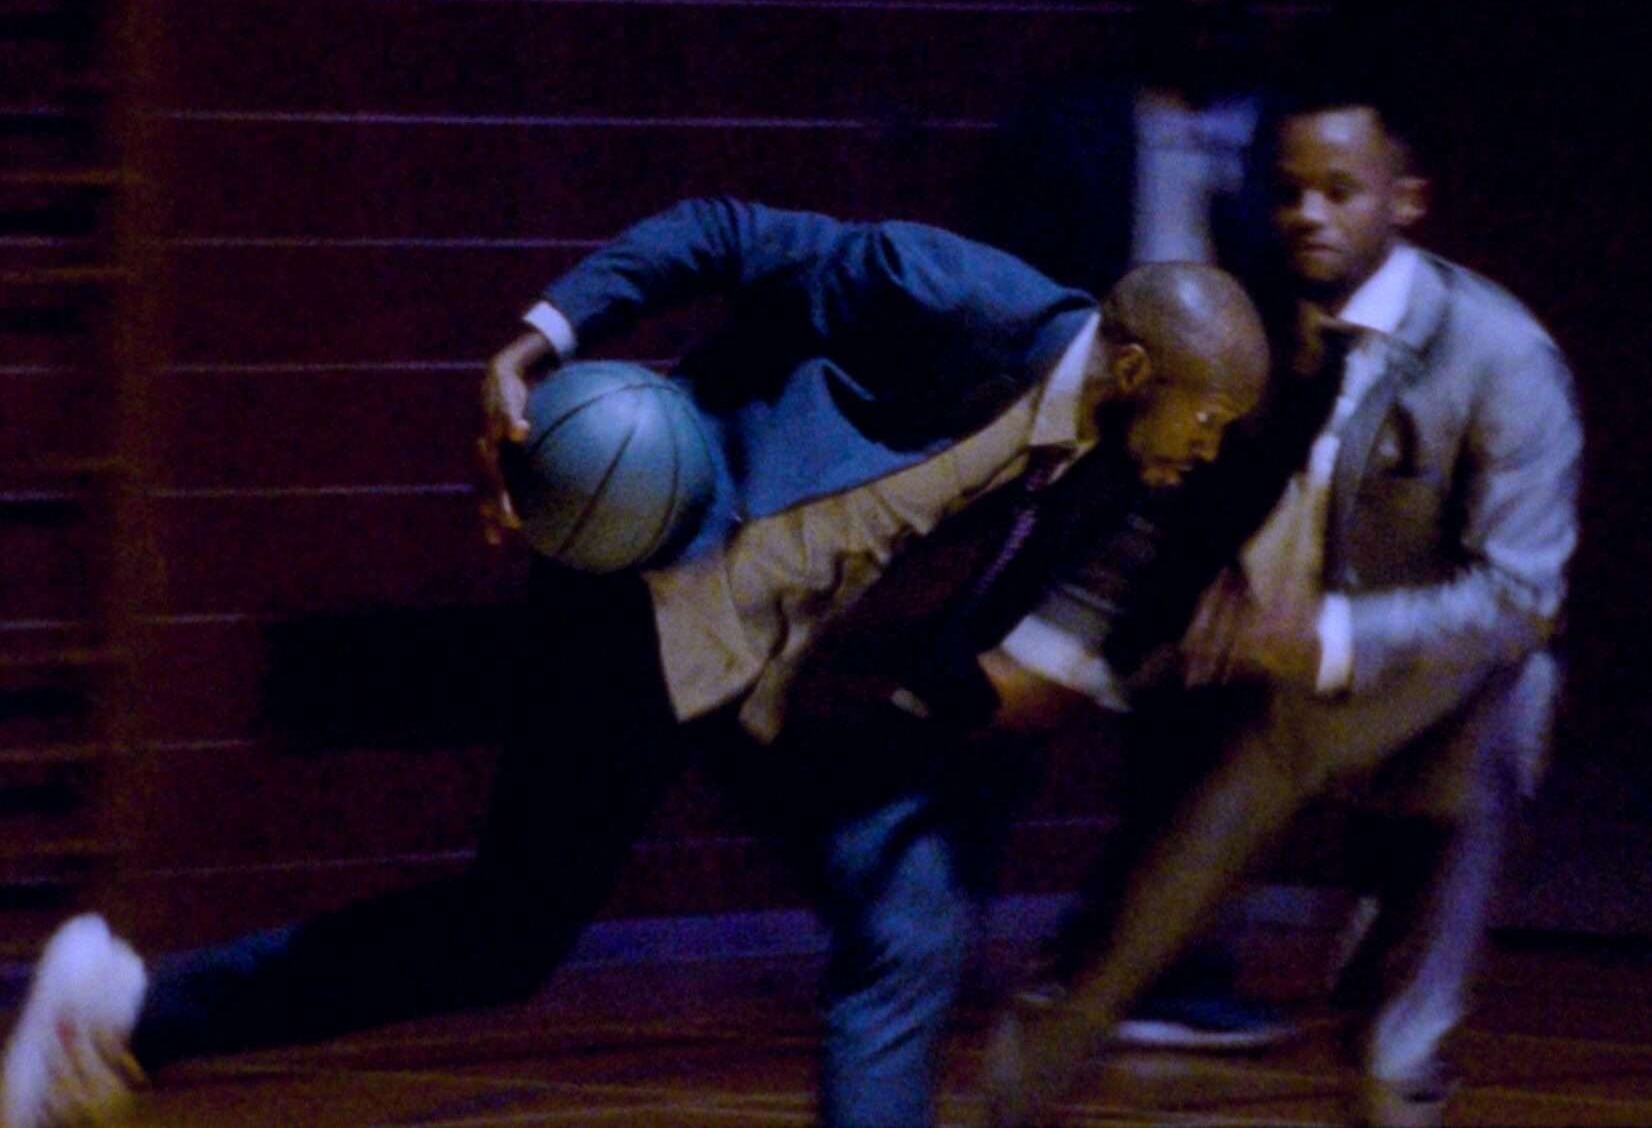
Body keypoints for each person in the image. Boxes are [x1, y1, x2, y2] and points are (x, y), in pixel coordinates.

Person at [0, 199, 1269, 1128]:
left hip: (777, 667)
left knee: (907, 922)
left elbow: (999, 631)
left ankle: (129, 1012)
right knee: (507, 937)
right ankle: (122, 1009)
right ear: (1140, 368)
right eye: (1206, 417)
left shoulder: (1111, 471)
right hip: (641, 598)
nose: (1207, 447)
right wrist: (543, 336)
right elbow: (724, 232)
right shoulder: (957, 296)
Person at [981, 80, 1582, 1127]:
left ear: (1406, 200)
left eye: (1341, 191)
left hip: (1456, 709)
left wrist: (1333, 632)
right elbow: (1160, 503)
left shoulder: (1502, 353)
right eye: (1291, 191)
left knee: (1396, 1057)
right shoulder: (1247, 324)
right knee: (1095, 978)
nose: (1309, 214)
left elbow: (1521, 598)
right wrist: (1072, 640)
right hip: (1285, 704)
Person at [977, 0, 1299, 1052]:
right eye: (1188, 12)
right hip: (1091, 451)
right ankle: (936, 914)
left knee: (1201, 718)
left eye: (1226, 14)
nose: (1206, 35)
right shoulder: (1075, 124)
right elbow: (1007, 268)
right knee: (1014, 699)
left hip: (1223, 470)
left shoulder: (1277, 142)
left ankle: (1162, 959)